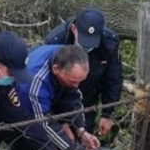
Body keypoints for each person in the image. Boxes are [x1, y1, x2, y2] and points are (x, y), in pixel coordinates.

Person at [45, 8, 123, 136]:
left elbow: (113, 78)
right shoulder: (55, 41)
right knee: (60, 144)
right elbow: (47, 83)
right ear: (74, 29)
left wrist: (107, 113)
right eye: (84, 40)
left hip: (88, 98)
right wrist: (60, 120)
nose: (87, 46)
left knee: (85, 140)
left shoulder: (109, 43)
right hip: (57, 99)